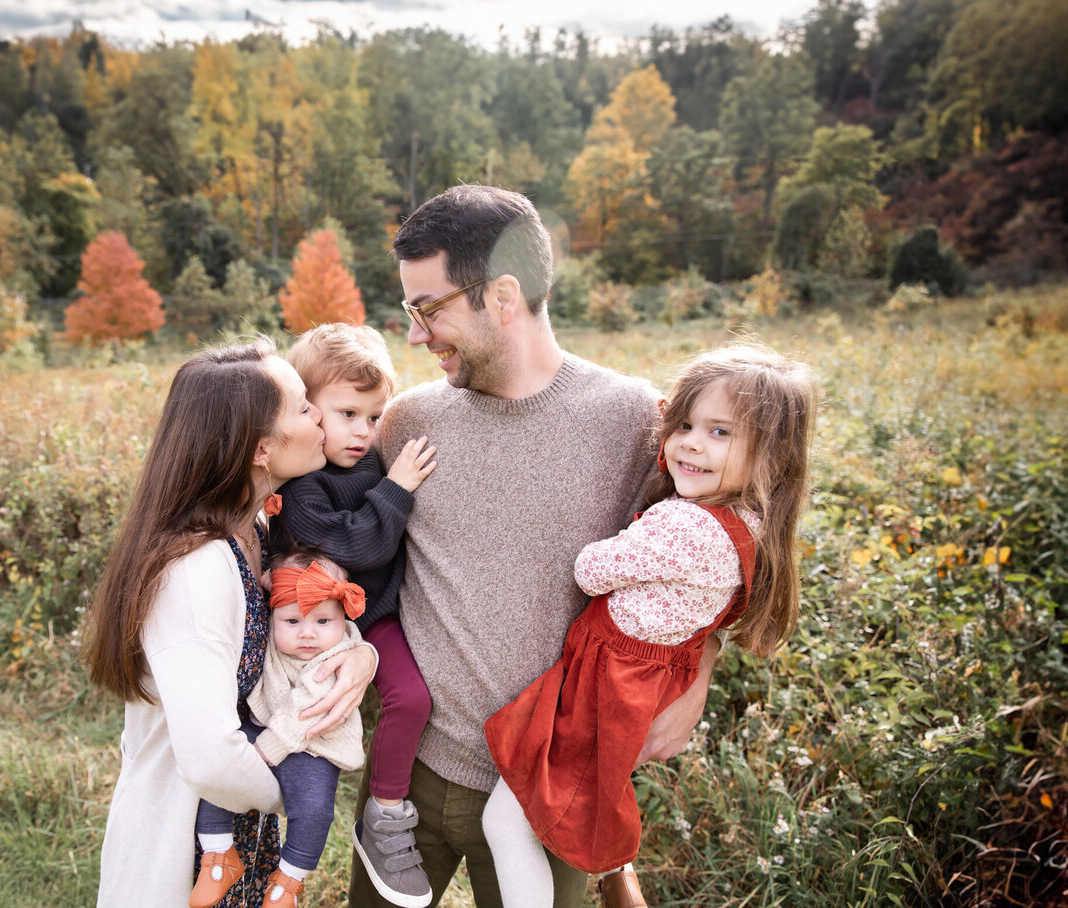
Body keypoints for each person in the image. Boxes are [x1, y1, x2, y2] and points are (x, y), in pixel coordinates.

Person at [348, 183, 721, 908]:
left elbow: (711, 561)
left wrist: (700, 678)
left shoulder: (636, 423)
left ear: (504, 296)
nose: (416, 335)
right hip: (408, 780)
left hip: (547, 787)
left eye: (429, 310)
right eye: (409, 311)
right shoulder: (406, 420)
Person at [481, 344, 817, 908]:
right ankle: (618, 869)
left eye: (719, 432)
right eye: (683, 424)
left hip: (600, 689)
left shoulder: (684, 525)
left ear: (772, 458)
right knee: (570, 801)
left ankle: (612, 867)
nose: (690, 442)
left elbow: (591, 571)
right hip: (637, 689)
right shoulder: (747, 524)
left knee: (506, 820)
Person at [84, 338, 379, 908]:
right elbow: (211, 757)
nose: (318, 414)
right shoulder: (195, 572)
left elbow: (303, 611)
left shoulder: (253, 529)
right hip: (188, 837)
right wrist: (302, 794)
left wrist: (358, 653)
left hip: (236, 822)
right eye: (301, 407)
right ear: (261, 449)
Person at [272, 323, 438, 908]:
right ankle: (367, 816)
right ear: (307, 409)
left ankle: (386, 809)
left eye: (374, 416)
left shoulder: (372, 461)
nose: (363, 432)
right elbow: (363, 545)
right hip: (319, 633)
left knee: (414, 698)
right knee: (300, 728)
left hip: (381, 617)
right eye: (346, 413)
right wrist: (397, 488)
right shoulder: (302, 487)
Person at [188, 551, 370, 908]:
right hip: (266, 728)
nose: (307, 634)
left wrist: (263, 751)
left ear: (342, 618)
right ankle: (218, 854)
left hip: (314, 741)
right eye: (292, 621)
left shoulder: (336, 657)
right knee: (220, 773)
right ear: (271, 615)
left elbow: (306, 714)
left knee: (315, 809)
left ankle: (288, 880)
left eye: (323, 621)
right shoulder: (274, 631)